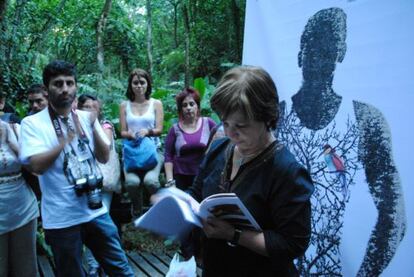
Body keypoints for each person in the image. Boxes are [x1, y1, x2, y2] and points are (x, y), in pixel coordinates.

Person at [276, 7, 406, 276]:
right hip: (277, 261)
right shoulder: (276, 117)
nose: (318, 61)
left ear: (341, 54)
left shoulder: (363, 120)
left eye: (327, 51)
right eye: (312, 49)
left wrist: (365, 274)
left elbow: (394, 217)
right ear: (300, 53)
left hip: (329, 266)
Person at [184, 66, 314, 276]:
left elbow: (292, 243)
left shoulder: (286, 171)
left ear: (267, 117)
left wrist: (234, 234)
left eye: (241, 126)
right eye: (225, 122)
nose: (230, 133)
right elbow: (196, 192)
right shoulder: (219, 149)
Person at [19, 60, 134, 276]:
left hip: (95, 210)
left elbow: (103, 156)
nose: (65, 89)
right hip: (62, 218)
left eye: (69, 83)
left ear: (76, 87)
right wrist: (63, 141)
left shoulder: (85, 117)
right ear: (47, 88)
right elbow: (36, 166)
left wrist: (92, 125)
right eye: (58, 84)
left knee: (121, 270)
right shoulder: (32, 124)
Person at [119, 68, 164, 216]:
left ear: (148, 84)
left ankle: (160, 207)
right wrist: (130, 134)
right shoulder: (124, 105)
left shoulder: (156, 103)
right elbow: (122, 131)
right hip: (132, 152)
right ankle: (137, 209)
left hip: (152, 150)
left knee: (151, 182)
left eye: (142, 82)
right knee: (132, 183)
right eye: (135, 83)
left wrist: (147, 132)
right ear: (130, 85)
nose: (139, 86)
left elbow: (159, 129)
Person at [0, 118, 39, 276]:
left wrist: (14, 145)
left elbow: (35, 169)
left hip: (23, 208)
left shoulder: (16, 129)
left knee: (26, 265)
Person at [164, 88, 216, 190]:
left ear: (197, 106)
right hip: (180, 177)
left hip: (203, 175)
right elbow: (168, 155)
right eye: (184, 105)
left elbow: (221, 142)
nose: (188, 108)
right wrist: (170, 181)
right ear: (181, 109)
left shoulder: (208, 123)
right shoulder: (175, 129)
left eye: (192, 104)